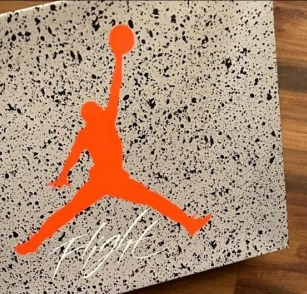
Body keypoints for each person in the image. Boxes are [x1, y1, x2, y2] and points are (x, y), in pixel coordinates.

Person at [15, 24, 211, 255]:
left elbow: (73, 157)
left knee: (69, 212)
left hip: (109, 179)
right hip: (108, 179)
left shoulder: (93, 129)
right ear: (92, 114)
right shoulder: (103, 123)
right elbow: (114, 89)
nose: (99, 108)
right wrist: (118, 58)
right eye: (95, 108)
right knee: (151, 199)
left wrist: (63, 176)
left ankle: (34, 242)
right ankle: (188, 222)